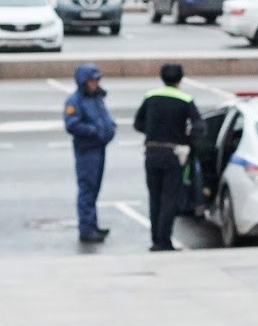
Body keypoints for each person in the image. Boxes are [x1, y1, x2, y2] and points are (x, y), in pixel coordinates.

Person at [131, 62, 202, 253]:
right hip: (173, 154)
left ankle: (155, 240)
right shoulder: (185, 99)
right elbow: (199, 127)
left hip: (152, 152)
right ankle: (165, 241)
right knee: (169, 198)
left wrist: (153, 132)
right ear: (181, 79)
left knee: (154, 198)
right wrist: (186, 139)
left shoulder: (151, 96)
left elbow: (137, 123)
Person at [61, 62, 115, 244]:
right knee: (87, 189)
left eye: (96, 80)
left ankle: (92, 225)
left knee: (95, 188)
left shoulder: (97, 98)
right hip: (87, 150)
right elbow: (72, 124)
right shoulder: (75, 100)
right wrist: (94, 131)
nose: (94, 84)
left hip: (99, 148)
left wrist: (110, 127)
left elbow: (104, 117)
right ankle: (86, 228)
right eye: (91, 80)